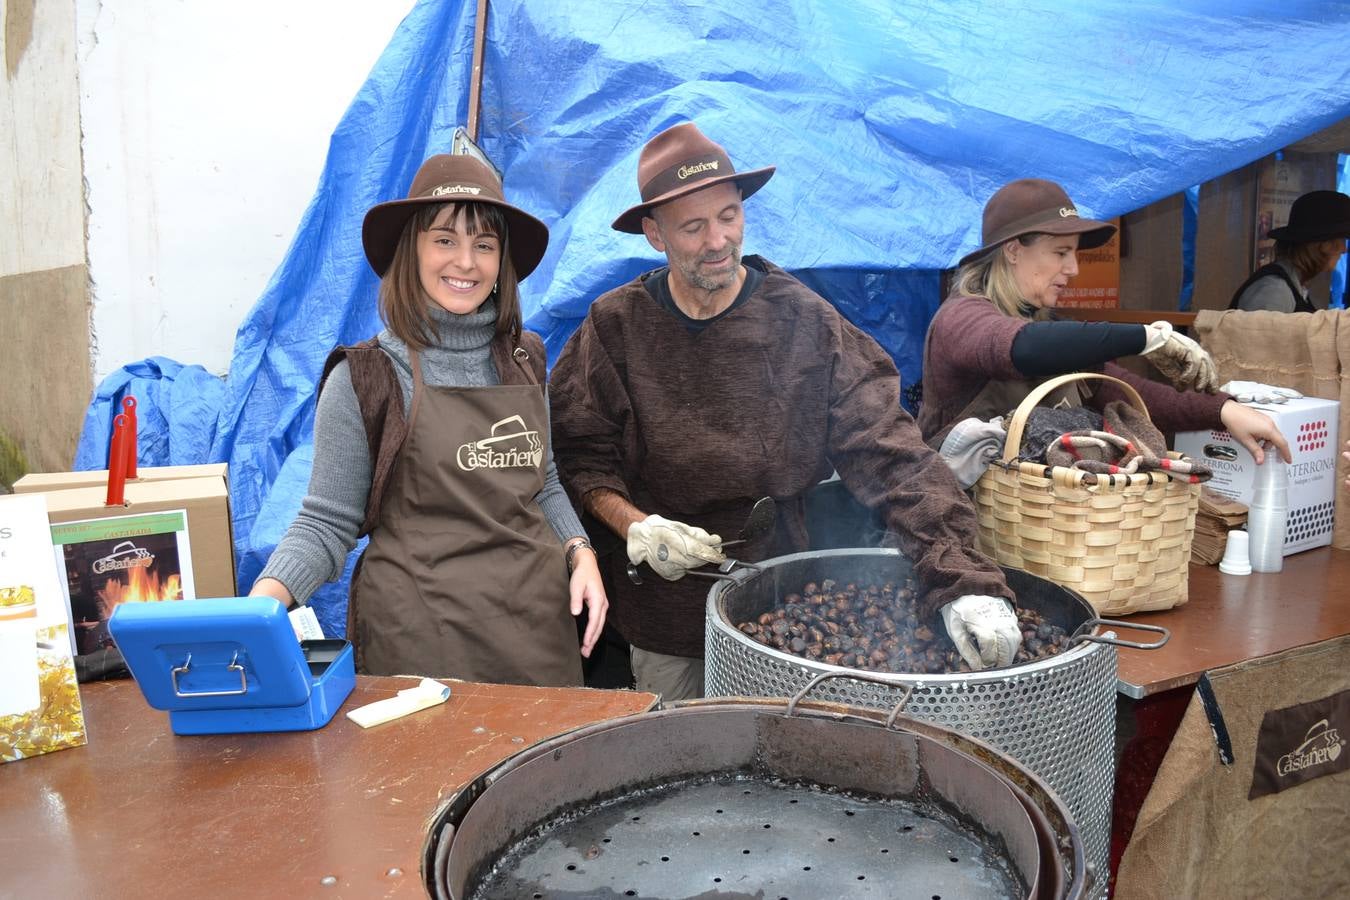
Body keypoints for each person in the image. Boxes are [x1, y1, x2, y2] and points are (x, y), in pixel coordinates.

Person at [549, 122, 1020, 701]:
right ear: (654, 234)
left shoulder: (807, 322)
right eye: (693, 227)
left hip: (779, 598)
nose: (718, 240)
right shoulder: (614, 327)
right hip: (664, 610)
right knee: (678, 756)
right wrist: (637, 526)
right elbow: (579, 458)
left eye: (728, 216)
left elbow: (892, 453)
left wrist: (963, 579)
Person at [250, 154, 607, 685]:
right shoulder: (366, 378)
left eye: (484, 245)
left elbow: (544, 481)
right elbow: (326, 523)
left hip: (536, 632)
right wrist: (260, 608)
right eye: (445, 240)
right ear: (411, 250)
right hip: (421, 640)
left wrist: (582, 553)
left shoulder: (525, 357)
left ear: (501, 263)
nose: (466, 261)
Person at [918, 177, 1291, 469]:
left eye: (1075, 254)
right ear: (1013, 250)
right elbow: (1023, 347)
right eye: (1061, 253)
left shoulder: (1050, 326)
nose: (1073, 269)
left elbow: (1123, 390)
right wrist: (1146, 338)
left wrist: (1223, 410)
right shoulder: (961, 318)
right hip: (965, 519)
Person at [1231, 190, 1350, 312]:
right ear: (1323, 244)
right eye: (1341, 239)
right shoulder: (1275, 291)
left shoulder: (1293, 286)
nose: (1344, 249)